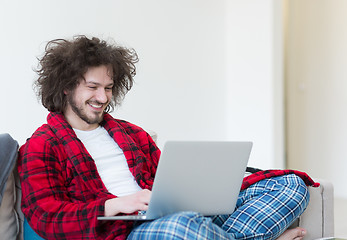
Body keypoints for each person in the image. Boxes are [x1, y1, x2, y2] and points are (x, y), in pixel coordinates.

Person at [18, 35, 311, 240]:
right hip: (127, 230)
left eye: (108, 88)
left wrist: (202, 190)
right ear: (66, 87)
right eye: (93, 87)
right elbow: (47, 218)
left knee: (291, 184)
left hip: (179, 217)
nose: (102, 97)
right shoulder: (42, 146)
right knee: (181, 227)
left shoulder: (132, 134)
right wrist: (116, 204)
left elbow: (169, 183)